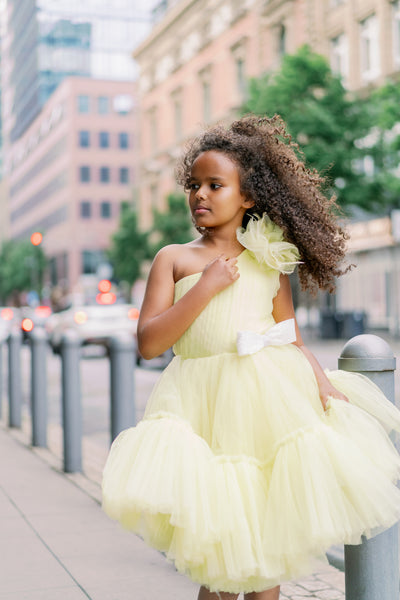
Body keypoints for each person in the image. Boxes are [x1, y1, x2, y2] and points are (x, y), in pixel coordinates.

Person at [102, 115, 400, 600]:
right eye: (194, 185)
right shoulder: (174, 258)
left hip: (264, 406)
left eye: (215, 185)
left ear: (248, 197)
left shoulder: (268, 260)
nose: (200, 194)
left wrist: (322, 385)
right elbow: (151, 343)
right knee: (219, 563)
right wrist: (205, 288)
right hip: (200, 407)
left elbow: (289, 337)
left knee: (263, 554)